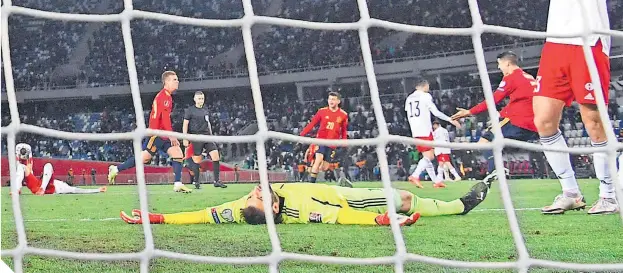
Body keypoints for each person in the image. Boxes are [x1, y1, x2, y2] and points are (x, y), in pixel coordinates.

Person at [526, 0, 620, 215]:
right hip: (555, 47)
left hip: (588, 46)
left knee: (593, 122)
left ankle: (609, 195)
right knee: (544, 121)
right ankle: (570, 191)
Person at [120, 171, 500, 226]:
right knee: (400, 197)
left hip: (337, 191)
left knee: (401, 194)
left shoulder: (241, 209)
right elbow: (343, 218)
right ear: (272, 208)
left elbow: (204, 214)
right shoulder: (305, 212)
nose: (253, 191)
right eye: (257, 195)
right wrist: (381, 220)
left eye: (252, 194)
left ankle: (455, 204)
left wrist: (159, 219)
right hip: (347, 199)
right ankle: (459, 205)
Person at [452, 51, 539, 175]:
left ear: (507, 63)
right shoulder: (529, 77)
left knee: (483, 143)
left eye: (500, 64)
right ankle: (497, 170)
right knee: (496, 145)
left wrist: (470, 111)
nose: (499, 67)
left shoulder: (511, 77)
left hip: (516, 121)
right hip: (532, 125)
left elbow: (494, 99)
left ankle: (495, 172)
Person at [108, 71, 191, 193]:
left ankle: (178, 183)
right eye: (174, 79)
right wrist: (171, 135)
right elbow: (164, 118)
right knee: (144, 158)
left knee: (178, 154)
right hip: (157, 134)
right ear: (166, 82)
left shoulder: (166, 96)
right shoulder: (164, 97)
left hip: (163, 134)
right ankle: (116, 169)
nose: (177, 81)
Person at [405, 79, 461, 188]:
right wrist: (450, 119)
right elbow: (435, 112)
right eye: (428, 86)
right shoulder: (425, 96)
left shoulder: (409, 98)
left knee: (428, 154)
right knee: (429, 156)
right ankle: (415, 175)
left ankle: (436, 181)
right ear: (424, 86)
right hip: (424, 129)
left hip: (415, 130)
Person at [12, 144, 106, 196]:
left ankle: (21, 189)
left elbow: (76, 190)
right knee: (24, 167)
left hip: (44, 188)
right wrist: (97, 189)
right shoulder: (62, 185)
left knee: (22, 167)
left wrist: (97, 190)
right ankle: (18, 189)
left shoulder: (63, 187)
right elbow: (76, 190)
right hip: (39, 186)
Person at [299, 92, 349, 183]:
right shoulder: (322, 111)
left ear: (338, 101)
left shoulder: (343, 115)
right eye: (329, 99)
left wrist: (344, 142)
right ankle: (311, 184)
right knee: (318, 160)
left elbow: (344, 131)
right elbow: (312, 124)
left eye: (333, 99)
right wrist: (302, 134)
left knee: (324, 167)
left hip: (332, 144)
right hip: (321, 140)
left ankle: (313, 166)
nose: (331, 101)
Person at [182, 91, 226, 189]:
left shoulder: (205, 110)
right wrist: (185, 137)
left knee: (216, 156)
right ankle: (196, 181)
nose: (201, 100)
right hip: (196, 136)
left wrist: (211, 135)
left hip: (206, 136)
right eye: (199, 98)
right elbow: (185, 124)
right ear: (194, 99)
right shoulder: (190, 110)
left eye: (202, 98)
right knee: (197, 160)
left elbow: (208, 123)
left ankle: (217, 181)